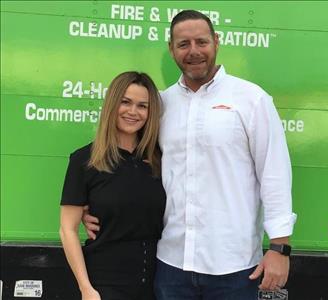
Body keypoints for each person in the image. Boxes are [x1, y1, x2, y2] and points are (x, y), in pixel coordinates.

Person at [84, 10, 297, 300]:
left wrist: (279, 248)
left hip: (234, 268)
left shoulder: (251, 100)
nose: (193, 51)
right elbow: (130, 162)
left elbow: (275, 174)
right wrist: (94, 205)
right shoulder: (161, 104)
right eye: (183, 44)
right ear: (171, 49)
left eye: (201, 42)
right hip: (171, 266)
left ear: (216, 42)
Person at [59, 71, 166, 300]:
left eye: (142, 106)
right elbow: (67, 229)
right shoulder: (84, 160)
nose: (133, 112)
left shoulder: (160, 159)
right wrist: (86, 289)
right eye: (125, 102)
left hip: (157, 284)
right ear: (112, 104)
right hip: (105, 285)